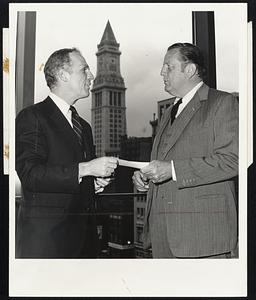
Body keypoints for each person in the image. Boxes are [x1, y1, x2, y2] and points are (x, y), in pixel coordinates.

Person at [133, 43, 238, 258]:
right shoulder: (168, 112)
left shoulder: (223, 103)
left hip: (202, 237)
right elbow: (165, 162)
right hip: (163, 237)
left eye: (168, 67)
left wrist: (172, 170)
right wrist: (145, 178)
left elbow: (232, 160)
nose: (162, 72)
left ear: (190, 70)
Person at [16, 48, 118, 258]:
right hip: (48, 244)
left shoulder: (84, 126)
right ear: (63, 75)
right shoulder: (32, 116)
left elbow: (73, 177)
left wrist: (93, 182)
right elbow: (30, 174)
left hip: (85, 242)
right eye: (84, 69)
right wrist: (87, 168)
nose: (91, 76)